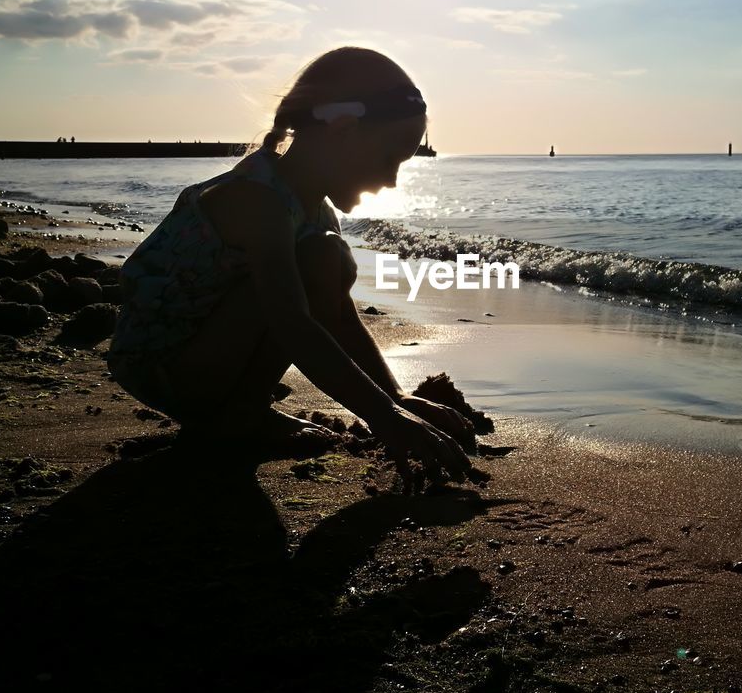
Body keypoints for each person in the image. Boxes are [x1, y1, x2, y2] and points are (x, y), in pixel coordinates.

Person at [108, 46, 472, 486]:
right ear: (342, 130)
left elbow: (337, 315)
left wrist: (395, 398)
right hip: (165, 364)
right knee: (317, 259)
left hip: (212, 353)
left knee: (326, 256)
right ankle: (230, 418)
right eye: (390, 158)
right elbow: (293, 326)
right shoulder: (259, 200)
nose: (392, 180)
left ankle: (242, 411)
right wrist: (383, 417)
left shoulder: (313, 208)